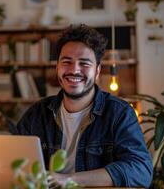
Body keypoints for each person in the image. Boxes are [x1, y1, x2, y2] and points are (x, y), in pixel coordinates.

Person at [16, 24, 153, 188]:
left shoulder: (119, 113)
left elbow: (141, 170)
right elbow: (11, 162)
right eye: (67, 62)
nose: (74, 70)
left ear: (97, 71)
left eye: (84, 63)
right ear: (57, 67)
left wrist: (69, 179)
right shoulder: (36, 114)